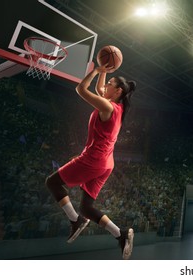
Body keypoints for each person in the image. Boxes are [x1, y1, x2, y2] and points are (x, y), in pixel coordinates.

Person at [45, 63, 136, 260]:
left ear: (118, 90)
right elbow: (98, 90)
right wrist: (104, 71)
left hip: (94, 160)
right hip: (106, 163)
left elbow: (81, 89)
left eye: (109, 84)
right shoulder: (117, 107)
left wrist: (94, 71)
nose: (105, 87)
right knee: (87, 207)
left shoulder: (107, 105)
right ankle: (120, 234)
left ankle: (75, 221)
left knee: (52, 182)